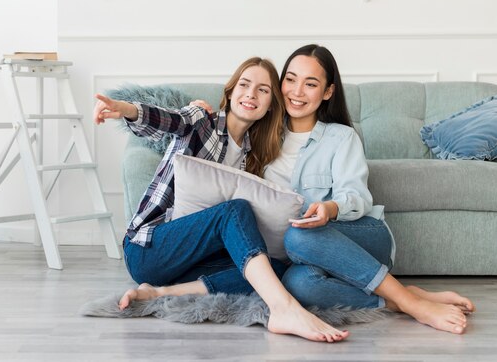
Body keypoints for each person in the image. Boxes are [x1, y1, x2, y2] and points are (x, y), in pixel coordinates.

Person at [93, 57, 349, 342]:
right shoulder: (202, 122)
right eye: (244, 85)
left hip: (189, 263)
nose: (251, 94)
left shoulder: (254, 158)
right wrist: (126, 110)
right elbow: (168, 120)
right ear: (230, 92)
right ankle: (283, 309)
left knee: (274, 268)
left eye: (263, 90)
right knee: (233, 211)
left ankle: (159, 293)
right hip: (149, 249)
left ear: (270, 106)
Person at [267, 44, 474, 335]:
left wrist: (329, 209)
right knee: (297, 285)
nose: (297, 91)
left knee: (300, 234)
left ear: (327, 92)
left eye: (310, 83)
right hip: (306, 251)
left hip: (362, 236)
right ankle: (400, 298)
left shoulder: (341, 137)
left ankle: (415, 306)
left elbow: (357, 197)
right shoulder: (263, 137)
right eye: (290, 79)